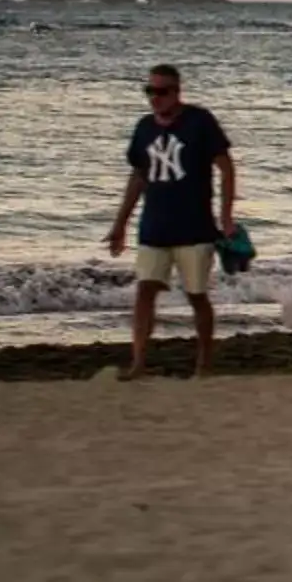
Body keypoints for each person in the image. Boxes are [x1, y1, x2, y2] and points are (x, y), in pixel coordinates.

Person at [105, 63, 237, 379]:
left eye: (162, 91)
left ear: (177, 92)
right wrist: (120, 224)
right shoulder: (144, 128)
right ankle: (138, 362)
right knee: (145, 291)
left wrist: (226, 215)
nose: (155, 98)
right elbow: (138, 176)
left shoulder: (199, 121)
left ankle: (204, 365)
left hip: (195, 228)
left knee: (196, 295)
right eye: (150, 91)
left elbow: (226, 167)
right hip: (154, 227)